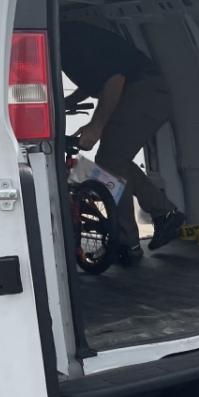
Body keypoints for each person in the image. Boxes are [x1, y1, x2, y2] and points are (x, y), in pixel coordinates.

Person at [60, 21, 185, 262]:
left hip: (143, 91)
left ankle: (126, 243)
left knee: (110, 165)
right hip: (140, 90)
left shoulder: (71, 41)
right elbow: (96, 77)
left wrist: (96, 127)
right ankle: (164, 213)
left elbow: (114, 79)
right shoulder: (70, 38)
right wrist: (72, 99)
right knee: (113, 161)